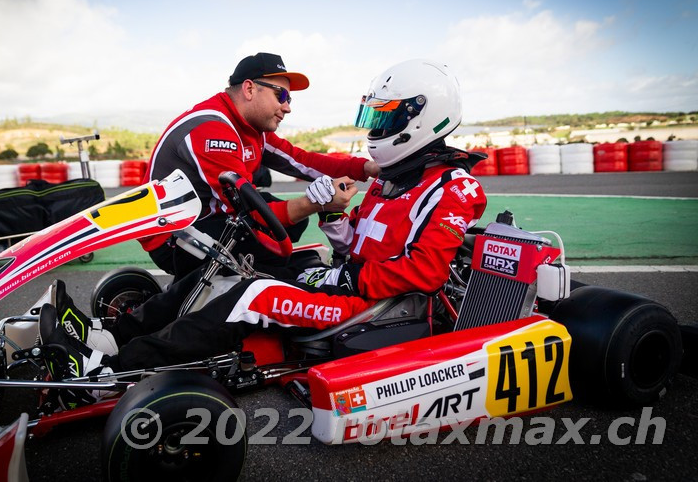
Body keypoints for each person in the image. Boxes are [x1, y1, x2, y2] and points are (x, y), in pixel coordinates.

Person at [41, 59, 488, 404]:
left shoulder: (452, 186)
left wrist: (347, 269)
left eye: (387, 120)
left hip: (377, 303)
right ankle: (111, 340)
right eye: (378, 118)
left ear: (422, 119)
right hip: (320, 275)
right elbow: (350, 241)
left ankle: (107, 374)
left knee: (248, 292)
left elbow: (426, 272)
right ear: (250, 88)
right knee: (238, 271)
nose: (378, 130)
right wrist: (333, 219)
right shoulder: (394, 180)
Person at [141, 52, 379, 279]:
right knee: (276, 252)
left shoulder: (254, 128)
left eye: (290, 99)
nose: (287, 107)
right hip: (172, 238)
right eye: (281, 96)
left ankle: (243, 279)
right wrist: (317, 202)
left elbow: (301, 160)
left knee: (291, 224)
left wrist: (365, 168)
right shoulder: (211, 129)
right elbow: (252, 214)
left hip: (204, 218)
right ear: (249, 89)